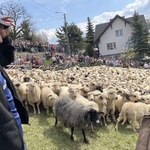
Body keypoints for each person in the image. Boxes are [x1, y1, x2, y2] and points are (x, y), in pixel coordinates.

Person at [0, 16, 29, 150]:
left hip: (14, 130)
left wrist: (5, 39)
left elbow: (7, 59)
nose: (1, 31)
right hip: (7, 140)